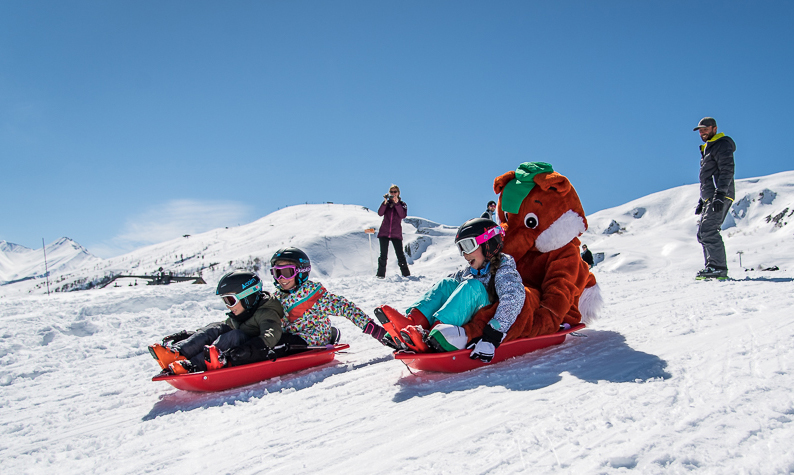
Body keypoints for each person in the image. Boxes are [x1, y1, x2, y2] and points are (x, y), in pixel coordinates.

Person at [375, 218, 525, 362]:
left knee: (472, 286)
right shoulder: (468, 271)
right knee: (447, 283)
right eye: (461, 248)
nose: (465, 254)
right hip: (462, 313)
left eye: (468, 246)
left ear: (489, 244)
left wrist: (494, 333)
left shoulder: (503, 269)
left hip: (484, 314)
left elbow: (514, 297)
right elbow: (443, 292)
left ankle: (432, 335)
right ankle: (412, 323)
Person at [148, 270, 285, 374]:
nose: (228, 305)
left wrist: (252, 347)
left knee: (234, 334)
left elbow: (272, 333)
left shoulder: (266, 312)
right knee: (216, 327)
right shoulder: (242, 313)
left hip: (248, 350)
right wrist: (191, 335)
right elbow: (218, 329)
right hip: (237, 347)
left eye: (230, 300)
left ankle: (192, 365)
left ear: (248, 296)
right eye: (225, 301)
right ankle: (177, 354)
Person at [269, 247, 393, 347]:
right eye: (277, 273)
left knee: (276, 344)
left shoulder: (314, 295)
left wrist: (375, 330)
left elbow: (345, 307)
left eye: (286, 273)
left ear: (301, 271)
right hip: (289, 336)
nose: (281, 279)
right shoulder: (278, 296)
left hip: (313, 338)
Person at [693, 117, 736, 279]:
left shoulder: (721, 145)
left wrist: (720, 194)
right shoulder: (708, 149)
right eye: (700, 130)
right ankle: (712, 267)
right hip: (710, 197)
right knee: (702, 233)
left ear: (714, 128)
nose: (702, 132)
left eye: (705, 129)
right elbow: (708, 177)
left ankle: (717, 268)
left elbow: (726, 170)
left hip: (720, 195)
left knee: (709, 230)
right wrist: (702, 199)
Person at [376, 184, 410, 278]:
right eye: (392, 192)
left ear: (398, 193)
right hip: (384, 232)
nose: (393, 194)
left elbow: (402, 215)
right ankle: (380, 275)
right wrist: (385, 203)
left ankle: (406, 274)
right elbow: (380, 213)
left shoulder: (402, 204)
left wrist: (396, 204)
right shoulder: (386, 204)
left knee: (400, 255)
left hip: (396, 233)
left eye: (395, 192)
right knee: (383, 255)